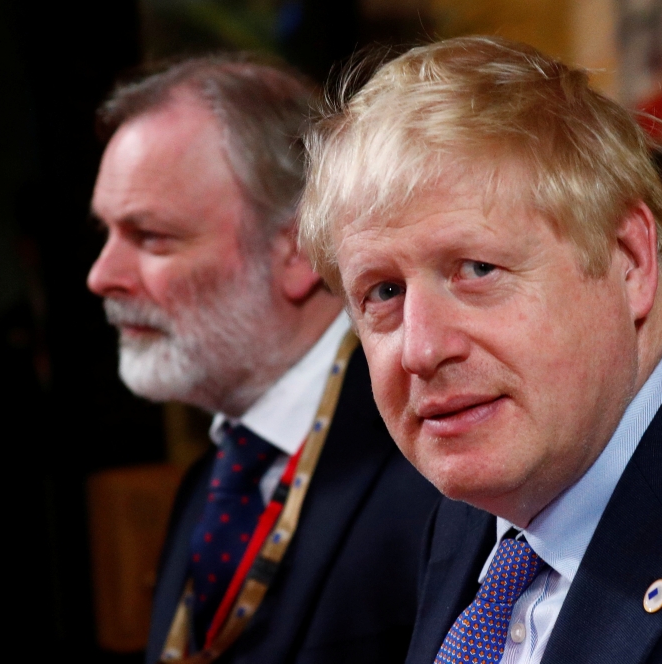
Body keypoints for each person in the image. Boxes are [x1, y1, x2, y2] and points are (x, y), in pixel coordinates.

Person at [297, 36, 662, 663]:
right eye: (384, 291)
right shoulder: (481, 511)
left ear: (630, 261)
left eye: (476, 269)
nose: (420, 349)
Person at [87, 55, 439, 664]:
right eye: (106, 234)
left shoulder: (435, 450)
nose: (102, 276)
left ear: (300, 251)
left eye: (150, 237)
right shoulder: (214, 481)